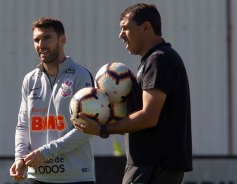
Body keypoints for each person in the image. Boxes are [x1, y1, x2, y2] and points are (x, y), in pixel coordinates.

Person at [73, 3, 192, 184]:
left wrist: (103, 129)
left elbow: (149, 116)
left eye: (125, 28)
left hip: (153, 164)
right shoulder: (154, 60)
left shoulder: (159, 59)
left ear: (145, 27)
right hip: (152, 164)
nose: (120, 35)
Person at [9, 17, 96, 184]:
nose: (41, 45)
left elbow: (86, 128)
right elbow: (23, 125)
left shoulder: (81, 75)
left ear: (62, 39)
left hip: (75, 177)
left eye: (47, 38)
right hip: (38, 177)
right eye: (36, 40)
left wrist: (45, 153)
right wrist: (20, 157)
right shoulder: (30, 79)